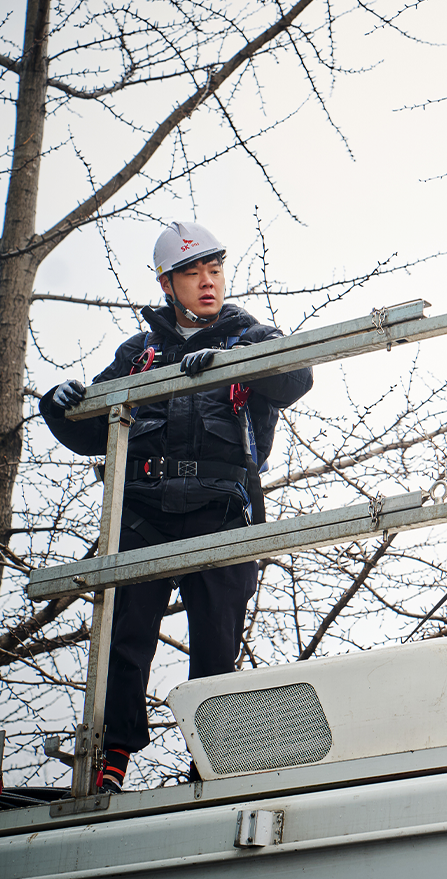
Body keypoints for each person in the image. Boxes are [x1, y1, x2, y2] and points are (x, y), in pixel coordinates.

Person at [41, 221, 314, 790]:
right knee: (125, 636)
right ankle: (112, 756)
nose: (208, 283)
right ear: (167, 283)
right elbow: (94, 430)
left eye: (215, 270)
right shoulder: (138, 353)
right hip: (143, 513)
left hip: (220, 512)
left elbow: (295, 377)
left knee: (216, 641)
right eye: (192, 273)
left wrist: (229, 361)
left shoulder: (251, 335)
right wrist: (58, 405)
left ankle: (209, 763)